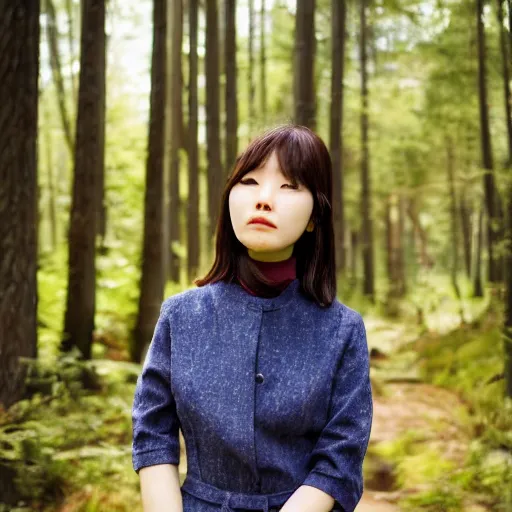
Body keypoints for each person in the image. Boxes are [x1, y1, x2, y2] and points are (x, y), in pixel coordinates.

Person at [131, 125, 373, 512]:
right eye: (250, 181)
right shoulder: (181, 316)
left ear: (314, 217)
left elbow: (339, 460)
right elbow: (153, 434)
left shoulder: (342, 331)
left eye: (289, 186)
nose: (264, 199)